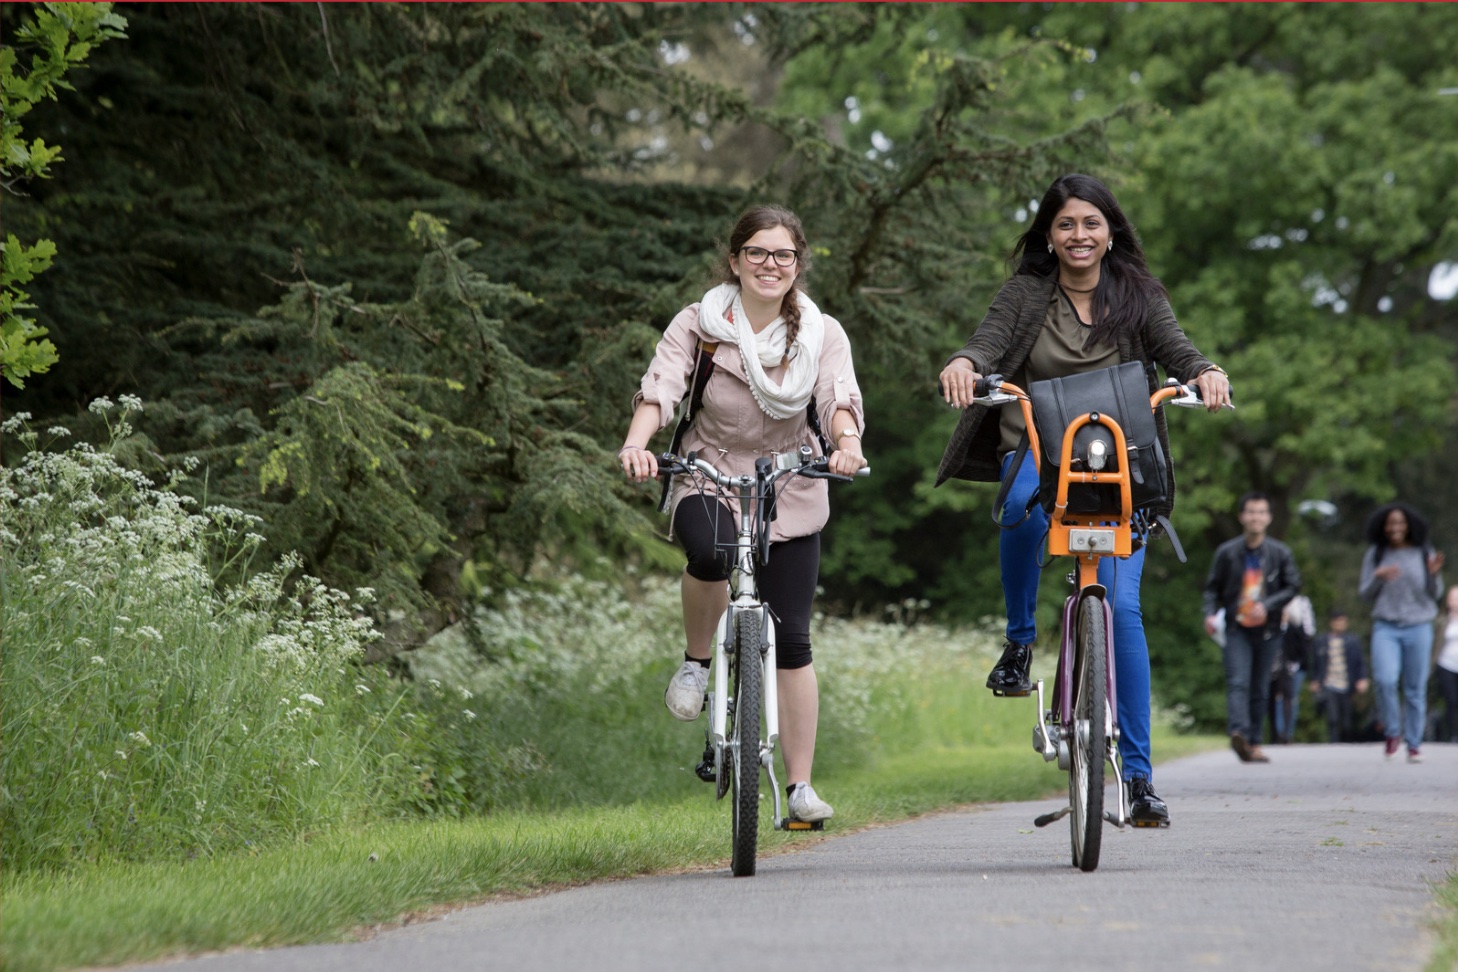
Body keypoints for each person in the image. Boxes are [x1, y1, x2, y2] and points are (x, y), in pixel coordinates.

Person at [936, 173, 1232, 828]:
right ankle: (1019, 642)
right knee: (1016, 508)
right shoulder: (1025, 294)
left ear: (1109, 232)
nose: (1079, 236)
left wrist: (1204, 372)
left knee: (1123, 610)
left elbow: (1177, 349)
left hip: (1120, 463)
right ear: (1049, 233)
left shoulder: (1137, 294)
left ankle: (1141, 779)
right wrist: (963, 363)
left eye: (1091, 224)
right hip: (1040, 453)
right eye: (1067, 224)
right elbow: (985, 344)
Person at [619, 205, 867, 823]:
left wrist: (847, 446)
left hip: (791, 477)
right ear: (734, 260)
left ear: (797, 264)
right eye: (756, 252)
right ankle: (698, 663)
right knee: (711, 553)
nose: (769, 264)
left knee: (795, 639)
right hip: (711, 468)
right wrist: (636, 443)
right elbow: (662, 387)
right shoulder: (700, 325)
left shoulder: (820, 332)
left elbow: (838, 398)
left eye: (782, 254)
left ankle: (801, 789)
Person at [1202, 492, 1302, 764]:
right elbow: (1212, 589)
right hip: (1237, 628)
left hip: (1269, 630)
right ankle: (1239, 733)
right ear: (1241, 517)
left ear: (1268, 518)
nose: (1256, 517)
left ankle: (1254, 742)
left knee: (1260, 687)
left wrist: (1268, 605)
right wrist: (1210, 614)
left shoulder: (1280, 553)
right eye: (1251, 512)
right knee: (1238, 681)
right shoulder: (1227, 552)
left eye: (1261, 512)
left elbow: (1293, 586)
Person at [1358, 502, 1444, 763]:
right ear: (1383, 527)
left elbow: (1436, 594)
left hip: (1419, 625)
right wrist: (1378, 577)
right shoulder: (1376, 553)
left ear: (1410, 526)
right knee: (1384, 680)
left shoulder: (1423, 551)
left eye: (1400, 523)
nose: (1395, 527)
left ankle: (1414, 743)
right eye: (1390, 523)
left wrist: (1432, 575)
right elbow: (1364, 593)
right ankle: (1393, 732)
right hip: (1386, 626)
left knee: (1415, 687)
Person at [1308, 608, 1369, 743]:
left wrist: (1362, 679)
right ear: (1332, 623)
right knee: (1332, 717)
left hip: (1347, 684)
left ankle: (1346, 743)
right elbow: (1315, 663)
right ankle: (1333, 743)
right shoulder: (1322, 641)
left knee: (1346, 720)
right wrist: (1314, 680)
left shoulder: (1352, 641)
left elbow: (1360, 662)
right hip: (1329, 683)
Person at [1271, 594, 1315, 744]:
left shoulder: (1295, 628)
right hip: (1276, 666)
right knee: (1278, 698)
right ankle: (1278, 733)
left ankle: (1286, 733)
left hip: (1293, 665)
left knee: (1289, 697)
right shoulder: (1276, 630)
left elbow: (1305, 640)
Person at [1434, 585, 1458, 743]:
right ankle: (1453, 733)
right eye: (1453, 598)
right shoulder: (1442, 621)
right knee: (1451, 700)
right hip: (1446, 664)